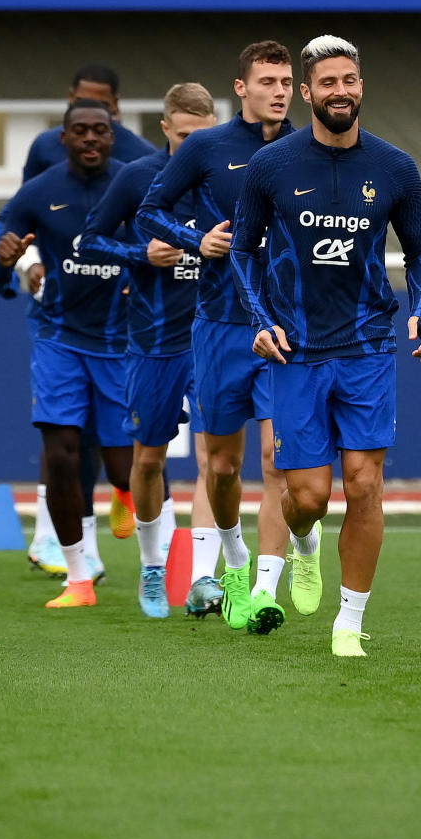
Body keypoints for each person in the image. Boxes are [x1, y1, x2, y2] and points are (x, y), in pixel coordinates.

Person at [230, 35, 421, 656]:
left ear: (360, 86)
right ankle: (303, 542)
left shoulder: (396, 168)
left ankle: (350, 622)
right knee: (308, 497)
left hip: (369, 345)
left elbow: (420, 250)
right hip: (295, 351)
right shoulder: (273, 166)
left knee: (364, 484)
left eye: (349, 80)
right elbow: (242, 250)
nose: (339, 91)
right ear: (309, 92)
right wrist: (260, 320)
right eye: (326, 83)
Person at [138, 41, 300, 627]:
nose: (280, 90)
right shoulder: (207, 147)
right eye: (268, 81)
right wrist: (195, 240)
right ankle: (232, 561)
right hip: (220, 326)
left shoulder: (312, 148)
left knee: (279, 463)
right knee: (223, 467)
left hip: (289, 328)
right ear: (242, 88)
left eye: (287, 81)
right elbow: (149, 212)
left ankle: (267, 586)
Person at [0, 99, 132, 609]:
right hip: (59, 338)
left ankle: (127, 495)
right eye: (80, 132)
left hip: (121, 342)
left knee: (122, 466)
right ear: (63, 139)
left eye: (100, 131)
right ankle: (78, 579)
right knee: (62, 454)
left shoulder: (134, 184)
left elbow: (166, 244)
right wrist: (7, 263)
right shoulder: (40, 192)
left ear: (113, 136)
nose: (90, 139)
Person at [77, 81, 216, 617]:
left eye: (204, 137)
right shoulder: (138, 179)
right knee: (149, 458)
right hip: (154, 343)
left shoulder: (225, 178)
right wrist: (141, 254)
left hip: (211, 338)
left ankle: (205, 574)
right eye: (185, 137)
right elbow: (90, 239)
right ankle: (153, 567)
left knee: (215, 459)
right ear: (165, 129)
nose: (195, 147)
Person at [21, 64, 157, 181]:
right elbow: (25, 203)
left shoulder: (142, 155)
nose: (89, 111)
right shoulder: (44, 145)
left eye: (100, 105)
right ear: (71, 97)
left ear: (114, 104)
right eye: (81, 102)